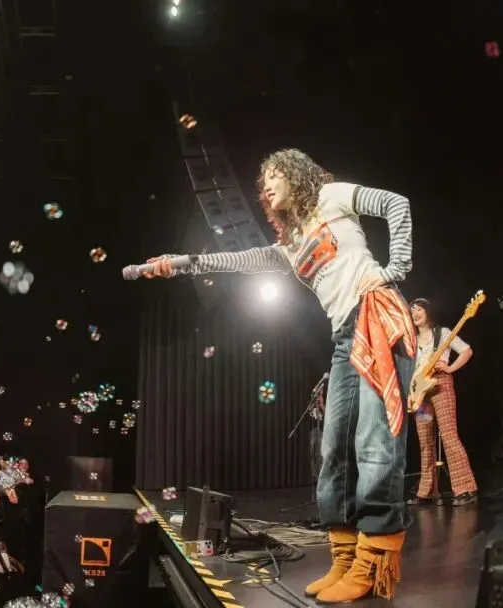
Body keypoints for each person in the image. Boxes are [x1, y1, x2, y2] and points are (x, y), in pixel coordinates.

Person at [140, 148, 415, 603]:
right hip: (344, 339)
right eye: (262, 180)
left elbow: (395, 204)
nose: (265, 185)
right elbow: (236, 260)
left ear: (297, 174)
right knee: (333, 453)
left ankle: (373, 561)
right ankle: (344, 557)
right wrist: (182, 262)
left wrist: (396, 268)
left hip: (376, 316)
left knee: (374, 443)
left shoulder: (331, 195)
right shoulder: (289, 245)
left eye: (274, 174)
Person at [407, 299, 478, 506]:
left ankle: (466, 488)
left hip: (440, 384)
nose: (415, 313)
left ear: (428, 311)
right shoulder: (411, 341)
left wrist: (450, 368)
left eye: (419, 309)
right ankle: (427, 491)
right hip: (421, 394)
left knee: (448, 435)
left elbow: (466, 351)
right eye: (412, 311)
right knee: (424, 441)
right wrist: (411, 393)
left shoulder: (442, 333)